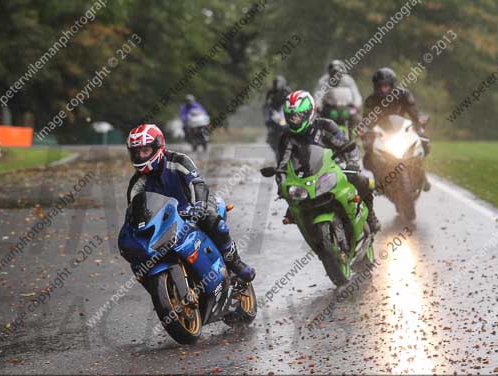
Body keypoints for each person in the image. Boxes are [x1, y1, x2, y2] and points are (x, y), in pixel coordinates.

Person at [125, 124, 256, 281]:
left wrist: (199, 206)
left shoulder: (178, 161)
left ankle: (236, 263)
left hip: (194, 204)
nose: (141, 156)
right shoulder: (136, 182)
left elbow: (197, 183)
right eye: (136, 152)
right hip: (167, 219)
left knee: (213, 220)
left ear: (158, 146)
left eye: (145, 150)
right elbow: (134, 210)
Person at [275, 90, 381, 233]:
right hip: (304, 179)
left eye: (298, 116)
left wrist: (352, 162)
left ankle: (371, 216)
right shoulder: (286, 138)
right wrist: (281, 184)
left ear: (308, 112)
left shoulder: (326, 126)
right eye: (291, 117)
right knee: (292, 211)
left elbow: (347, 145)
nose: (294, 120)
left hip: (333, 169)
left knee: (362, 181)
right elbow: (282, 165)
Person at [362, 67, 431, 190]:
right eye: (381, 86)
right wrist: (366, 132)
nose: (384, 89)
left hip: (402, 130)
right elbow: (366, 120)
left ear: (392, 85)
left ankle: (421, 174)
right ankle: (378, 178)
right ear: (376, 86)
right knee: (368, 151)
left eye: (386, 86)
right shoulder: (371, 100)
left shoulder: (403, 95)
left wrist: (420, 123)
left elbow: (414, 113)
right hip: (381, 134)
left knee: (423, 141)